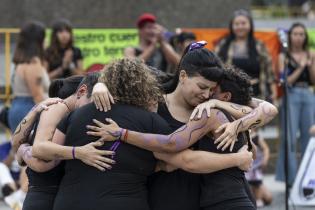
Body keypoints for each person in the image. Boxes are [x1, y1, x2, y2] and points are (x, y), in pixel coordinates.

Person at [91, 42, 278, 210]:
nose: (206, 95)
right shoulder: (153, 100)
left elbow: (265, 108)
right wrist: (100, 84)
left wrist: (235, 123)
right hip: (165, 195)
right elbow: (120, 74)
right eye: (202, 87)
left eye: (212, 90)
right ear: (182, 76)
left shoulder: (212, 106)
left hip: (213, 199)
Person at [11, 74, 114, 210]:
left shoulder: (71, 116)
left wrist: (23, 152)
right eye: (95, 102)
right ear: (81, 91)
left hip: (58, 195)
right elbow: (38, 154)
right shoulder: (59, 107)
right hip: (45, 195)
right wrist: (80, 152)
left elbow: (21, 147)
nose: (95, 110)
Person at [276, 22, 315, 185]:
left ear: (305, 37)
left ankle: (308, 178)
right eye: (295, 34)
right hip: (291, 95)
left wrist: (311, 63)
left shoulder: (311, 53)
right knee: (289, 137)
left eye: (301, 34)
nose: (298, 37)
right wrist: (300, 66)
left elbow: (313, 80)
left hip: (307, 93)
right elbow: (285, 82)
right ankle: (290, 180)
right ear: (290, 36)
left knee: (309, 136)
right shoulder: (283, 56)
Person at [215, 9, 277, 102]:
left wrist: (274, 92)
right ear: (232, 26)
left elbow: (269, 72)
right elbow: (215, 67)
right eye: (236, 24)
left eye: (243, 23)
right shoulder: (223, 45)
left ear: (250, 25)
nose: (240, 26)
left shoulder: (259, 46)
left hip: (258, 94)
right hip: (230, 96)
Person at [8, 21, 50, 131]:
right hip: (29, 109)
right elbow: (38, 96)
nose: (46, 41)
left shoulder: (20, 61)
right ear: (37, 41)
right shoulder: (32, 63)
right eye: (44, 37)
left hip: (19, 106)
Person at [245, 130, 273, 208]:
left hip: (256, 166)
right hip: (246, 166)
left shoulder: (257, 136)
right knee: (247, 184)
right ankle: (252, 198)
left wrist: (265, 159)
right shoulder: (241, 135)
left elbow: (266, 149)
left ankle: (258, 198)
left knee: (257, 182)